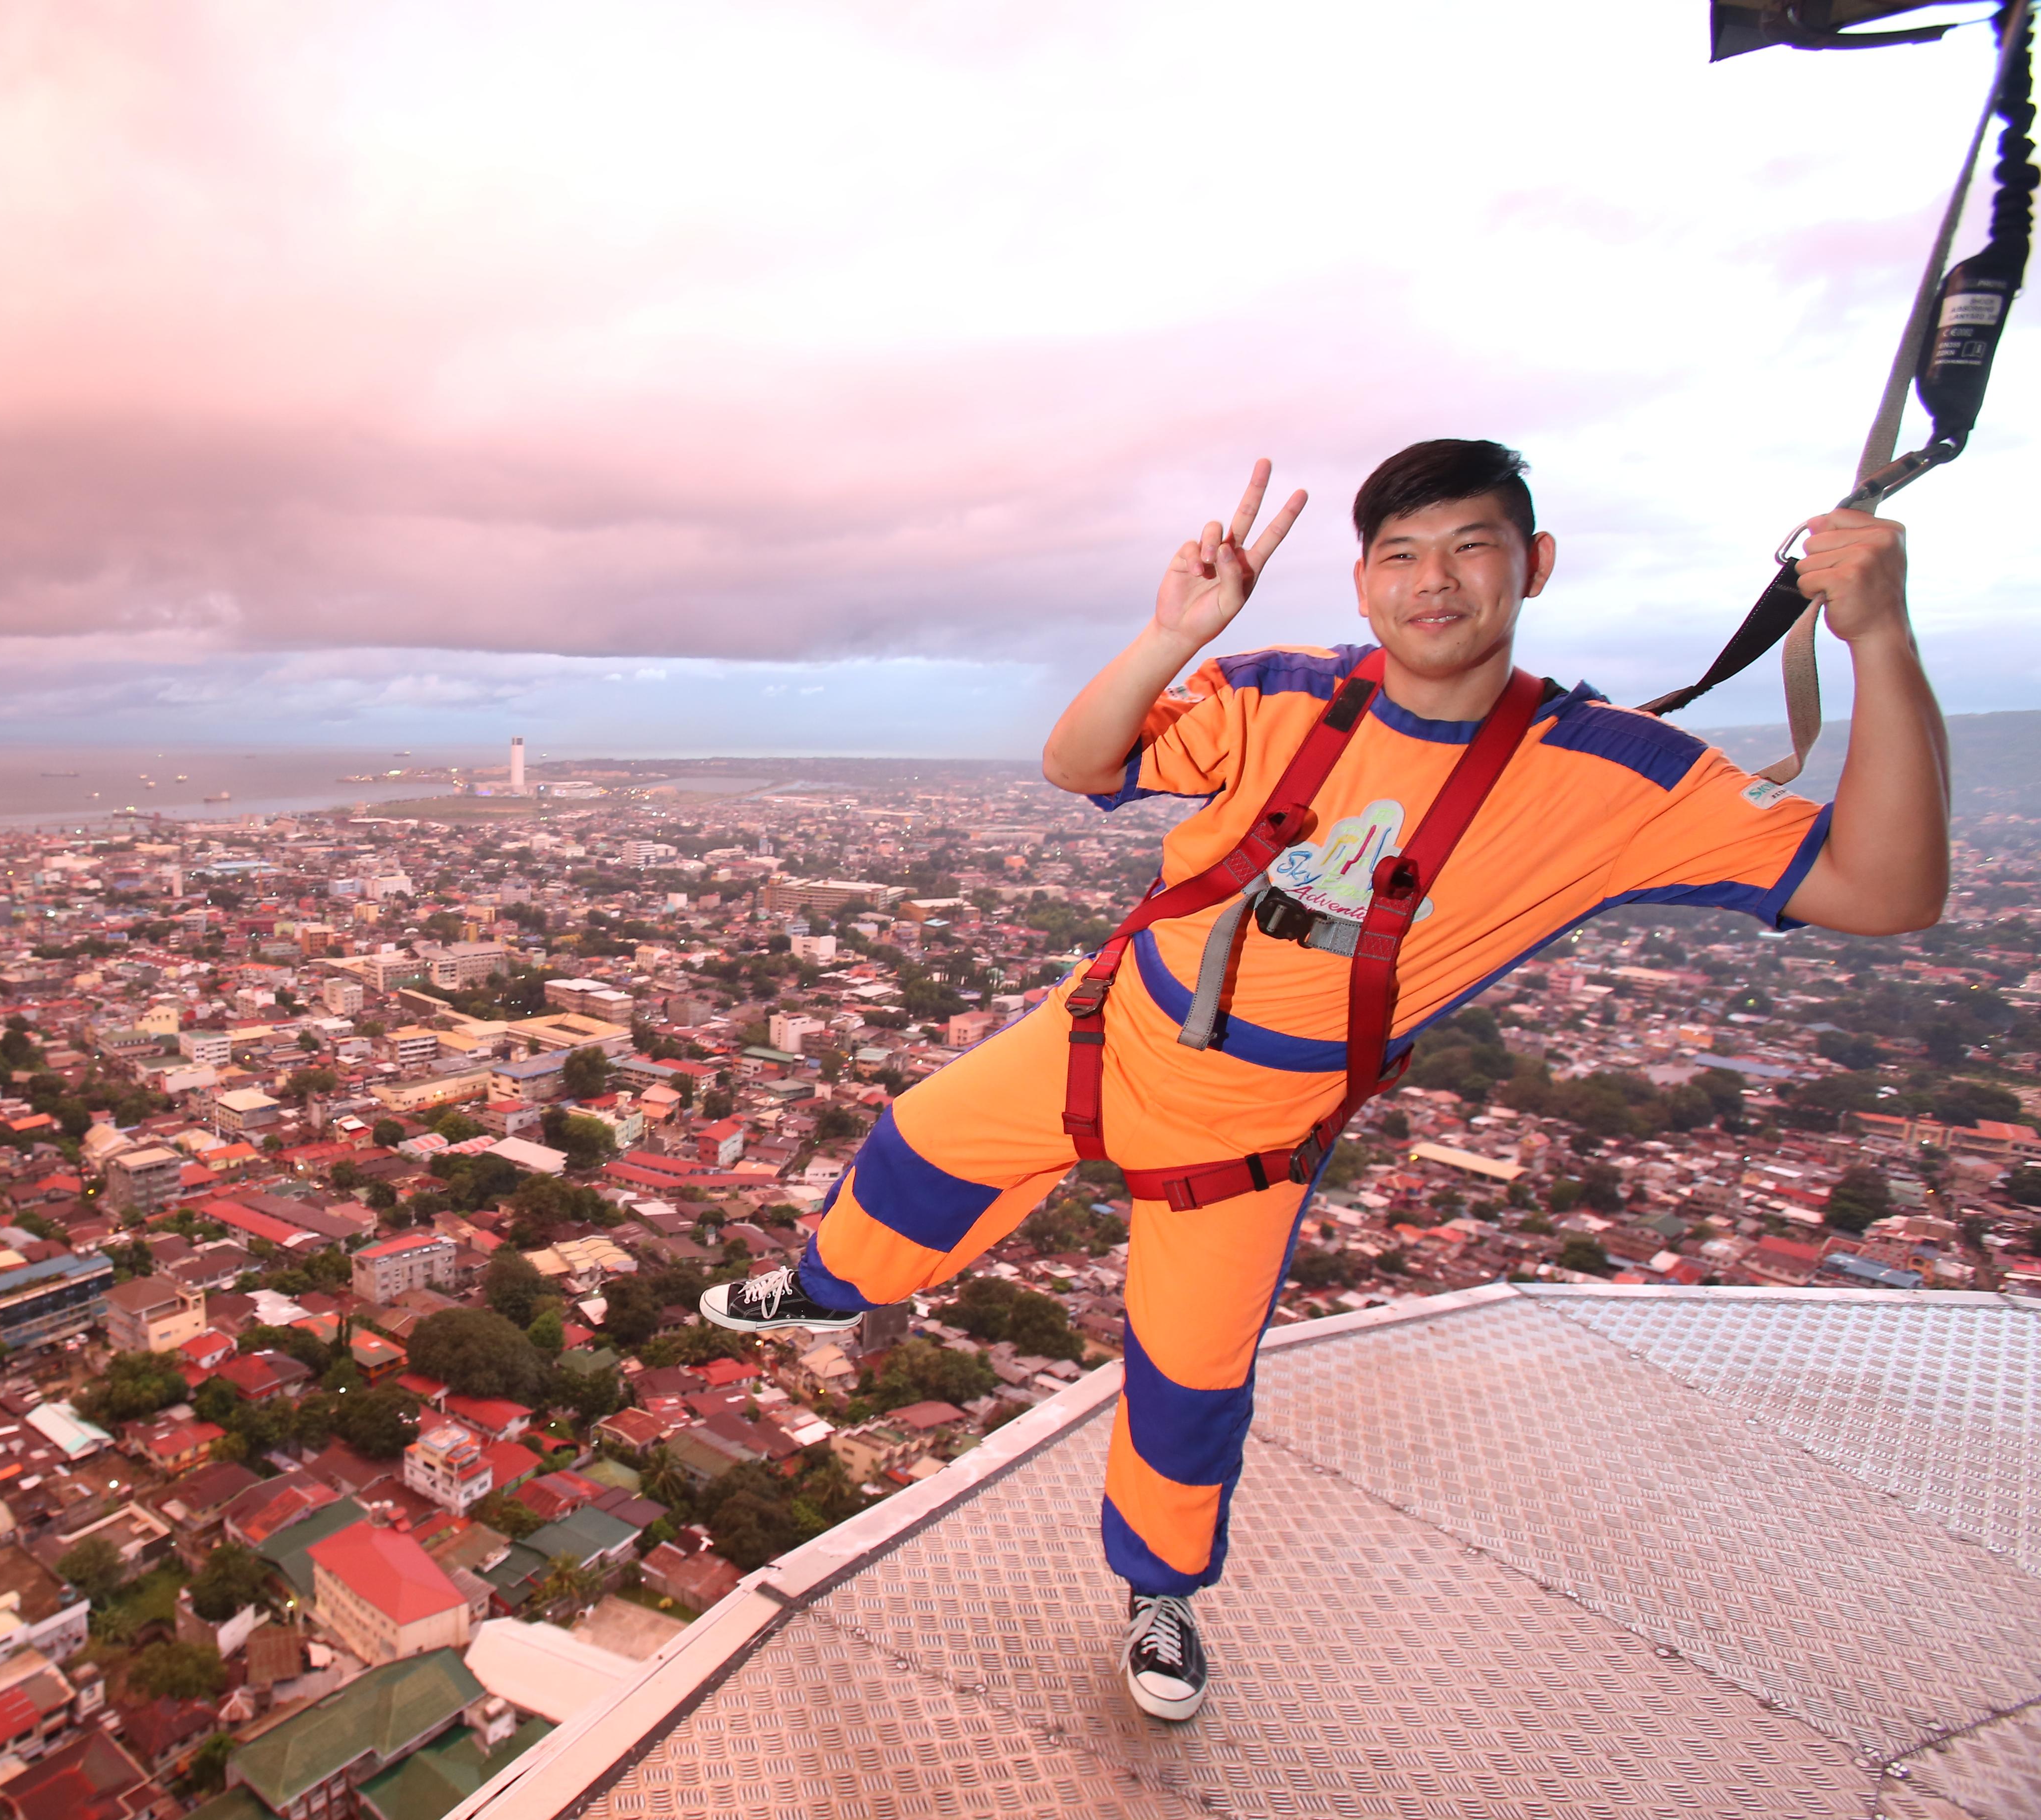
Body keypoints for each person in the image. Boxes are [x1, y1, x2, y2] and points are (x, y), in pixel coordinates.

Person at [701, 439, 1949, 1720]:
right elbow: (1082, 766)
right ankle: (828, 1288)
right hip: (1104, 1031)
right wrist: (1168, 633)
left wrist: (1881, 641)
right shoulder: (1277, 695)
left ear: (1537, 566)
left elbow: (1890, 891)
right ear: (1362, 584)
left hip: (1252, 1131)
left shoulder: (1612, 777)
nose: (1437, 581)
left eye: (1473, 546)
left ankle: (1161, 1592)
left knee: (1188, 1381)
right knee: (917, 1148)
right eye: (1402, 554)